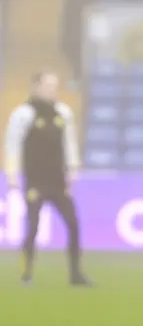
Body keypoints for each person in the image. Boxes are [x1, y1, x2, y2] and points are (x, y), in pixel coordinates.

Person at [3, 71, 92, 286]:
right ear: (35, 87)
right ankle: (26, 273)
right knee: (32, 226)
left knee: (72, 222)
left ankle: (75, 274)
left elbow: (69, 142)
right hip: (35, 180)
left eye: (55, 85)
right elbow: (12, 144)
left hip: (57, 180)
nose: (53, 90)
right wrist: (12, 173)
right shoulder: (24, 114)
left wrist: (72, 167)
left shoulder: (63, 112)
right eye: (48, 86)